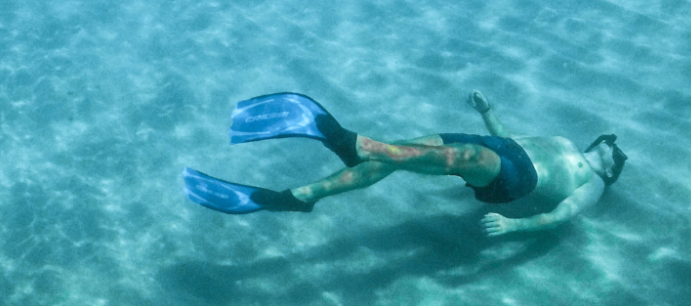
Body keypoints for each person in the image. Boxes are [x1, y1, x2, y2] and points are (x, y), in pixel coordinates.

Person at [182, 90, 627, 237]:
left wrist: (514, 227)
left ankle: (355, 143)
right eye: (613, 145)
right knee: (399, 155)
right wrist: (488, 112)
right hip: (499, 146)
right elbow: (511, 139)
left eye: (618, 158)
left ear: (610, 170)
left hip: (516, 179)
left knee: (457, 157)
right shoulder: (566, 139)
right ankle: (301, 197)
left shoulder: (595, 185)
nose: (614, 149)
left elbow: (561, 215)